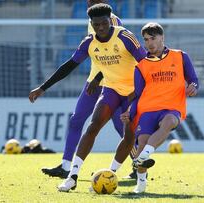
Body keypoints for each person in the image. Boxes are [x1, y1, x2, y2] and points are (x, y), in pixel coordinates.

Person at [28, 0, 136, 179]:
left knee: (121, 126)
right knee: (76, 119)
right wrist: (43, 88)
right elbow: (80, 59)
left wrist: (99, 78)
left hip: (112, 83)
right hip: (93, 81)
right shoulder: (92, 20)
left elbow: (115, 56)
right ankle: (65, 166)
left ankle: (138, 165)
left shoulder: (112, 22)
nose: (90, 3)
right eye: (89, 0)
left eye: (95, 1)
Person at [56, 3, 146, 192]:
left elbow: (146, 65)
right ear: (92, 23)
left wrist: (138, 93)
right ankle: (72, 176)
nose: (101, 28)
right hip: (111, 88)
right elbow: (70, 65)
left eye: (104, 23)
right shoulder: (89, 41)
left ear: (110, 20)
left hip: (132, 91)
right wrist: (42, 88)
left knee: (128, 134)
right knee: (93, 125)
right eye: (96, 25)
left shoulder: (124, 36)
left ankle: (124, 174)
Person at [120, 22, 198, 193]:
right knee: (141, 143)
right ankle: (141, 184)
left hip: (172, 108)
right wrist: (129, 112)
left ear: (162, 37)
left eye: (153, 38)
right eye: (146, 40)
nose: (149, 43)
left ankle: (144, 156)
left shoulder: (180, 56)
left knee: (169, 121)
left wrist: (193, 86)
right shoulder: (140, 66)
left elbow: (193, 79)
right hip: (147, 110)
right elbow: (138, 95)